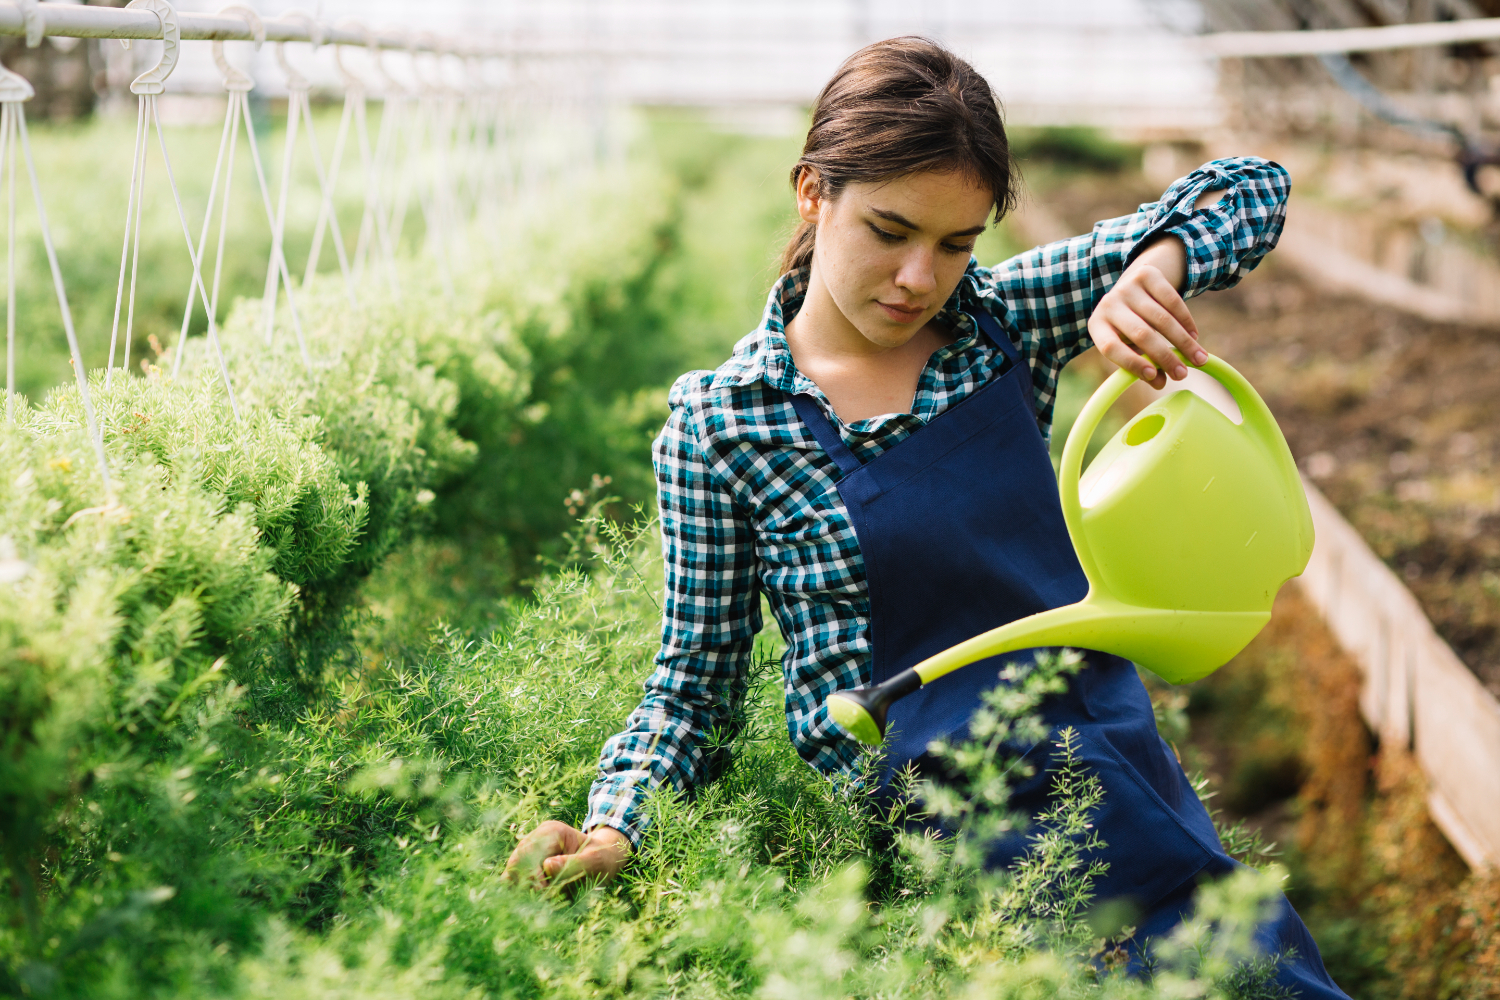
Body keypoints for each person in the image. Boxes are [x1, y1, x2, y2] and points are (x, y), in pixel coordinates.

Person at [506, 36, 1348, 997]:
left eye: (956, 244)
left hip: (1106, 786)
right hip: (931, 867)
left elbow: (1251, 189)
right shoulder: (725, 423)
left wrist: (1155, 264)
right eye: (890, 230)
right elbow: (693, 696)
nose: (919, 279)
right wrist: (614, 826)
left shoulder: (1002, 324)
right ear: (813, 193)